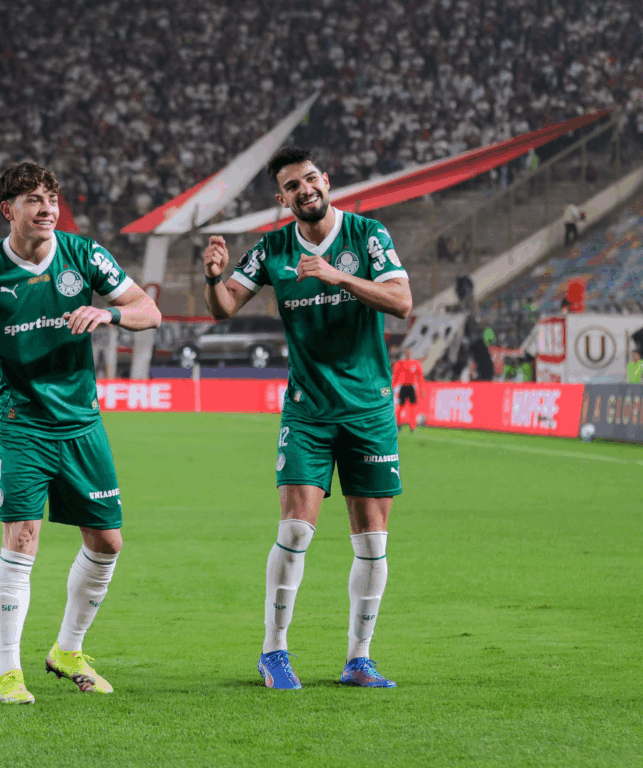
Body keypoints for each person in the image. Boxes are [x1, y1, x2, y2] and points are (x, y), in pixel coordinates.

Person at [0, 163, 161, 705]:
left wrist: (108, 316)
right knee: (22, 537)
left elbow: (148, 309)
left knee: (107, 542)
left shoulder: (85, 256)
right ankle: (8, 672)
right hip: (23, 423)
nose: (47, 208)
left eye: (52, 198)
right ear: (8, 211)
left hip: (82, 422)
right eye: (34, 200)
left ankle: (67, 650)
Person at [201, 146, 412, 690]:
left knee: (372, 541)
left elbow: (401, 300)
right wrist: (214, 278)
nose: (305, 189)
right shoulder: (272, 249)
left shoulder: (368, 236)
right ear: (283, 199)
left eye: (311, 179)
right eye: (293, 186)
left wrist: (340, 279)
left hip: (368, 408)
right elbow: (224, 306)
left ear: (326, 179)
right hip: (309, 411)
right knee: (296, 527)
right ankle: (274, 651)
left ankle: (359, 658)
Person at [391, 348, 424, 432]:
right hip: (403, 387)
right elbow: (396, 377)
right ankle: (398, 424)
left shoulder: (416, 364)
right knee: (400, 407)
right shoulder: (400, 364)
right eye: (407, 352)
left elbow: (420, 378)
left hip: (411, 387)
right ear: (404, 354)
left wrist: (421, 389)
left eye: (409, 352)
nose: (408, 354)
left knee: (412, 408)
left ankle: (412, 426)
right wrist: (392, 387)